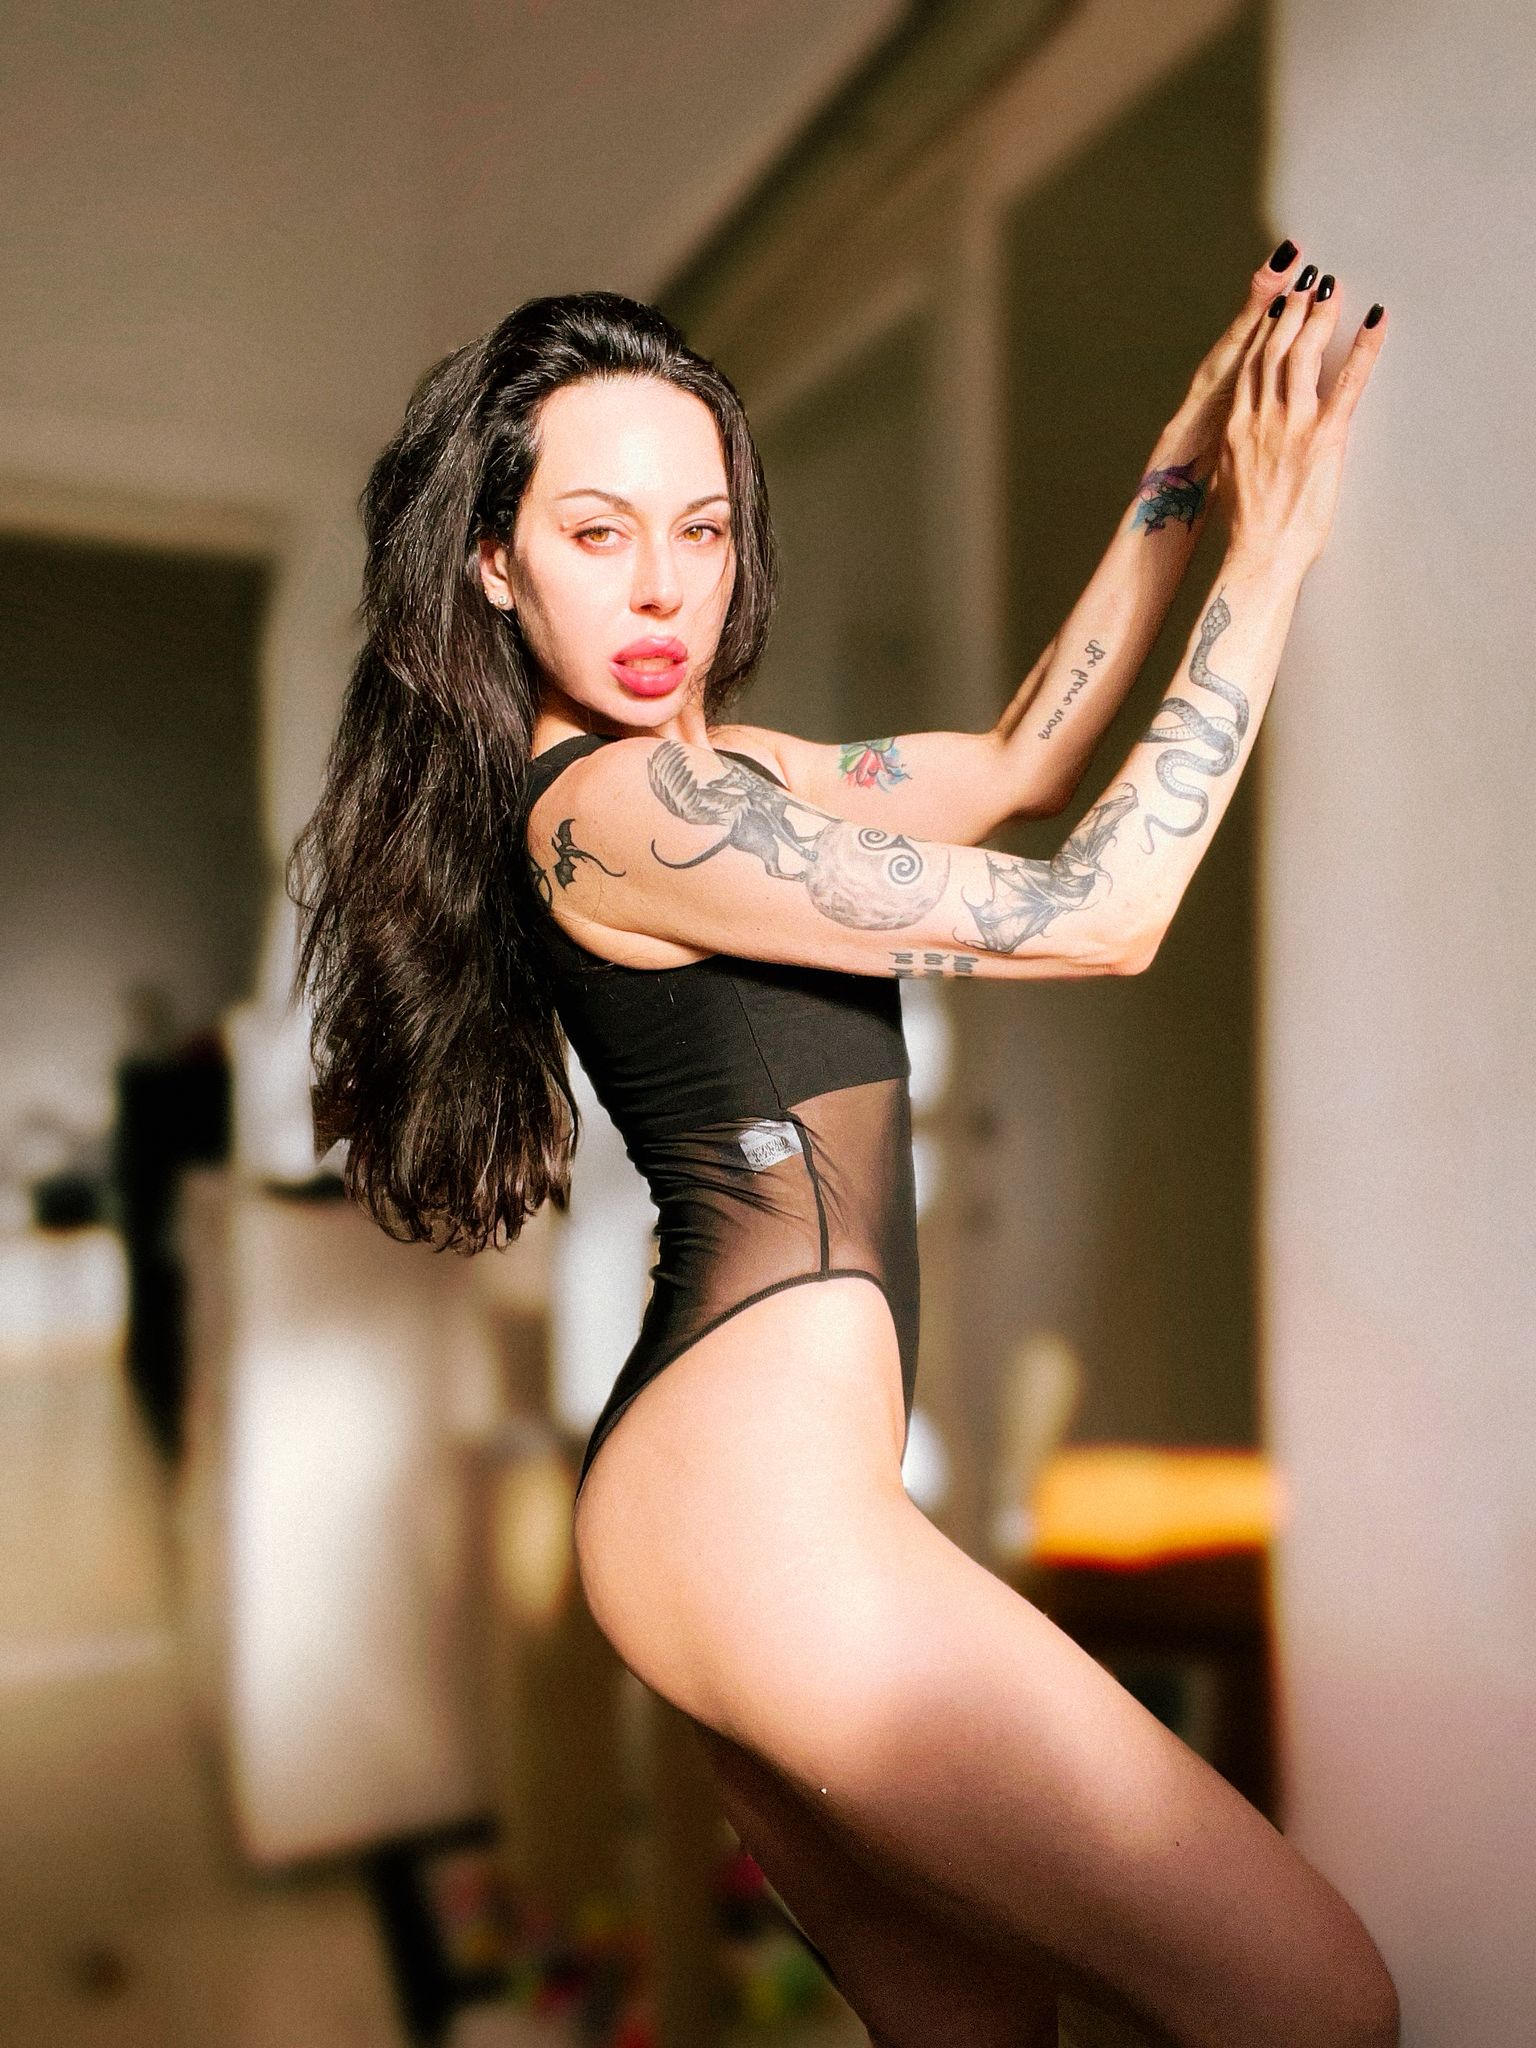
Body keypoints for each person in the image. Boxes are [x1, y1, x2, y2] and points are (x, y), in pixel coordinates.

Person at [288, 258, 1395, 2047]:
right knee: (1316, 1999)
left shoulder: (725, 776)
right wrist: (1273, 553)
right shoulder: (622, 808)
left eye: (703, 530)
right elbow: (1098, 911)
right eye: (596, 533)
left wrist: (1183, 466)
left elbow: (1023, 758)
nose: (664, 586)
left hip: (724, 1505)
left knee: (981, 2032)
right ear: (493, 563)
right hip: (751, 1516)